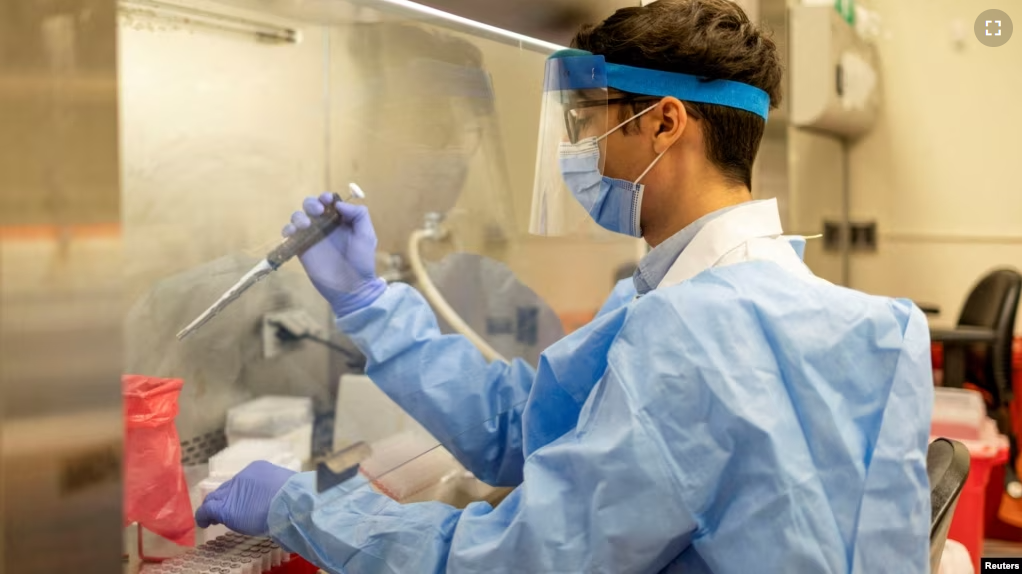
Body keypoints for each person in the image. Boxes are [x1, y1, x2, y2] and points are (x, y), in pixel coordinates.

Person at [195, 0, 934, 572]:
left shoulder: (692, 335)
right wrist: (373, 305)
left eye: (589, 123)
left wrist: (304, 504)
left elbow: (519, 560)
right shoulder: (870, 327)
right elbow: (529, 426)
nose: (579, 152)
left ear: (664, 124)